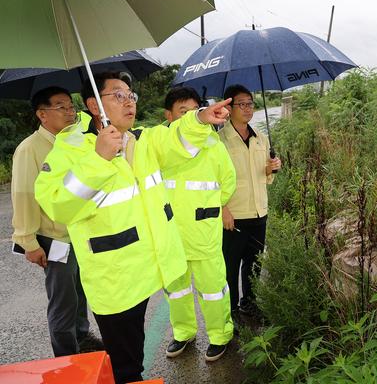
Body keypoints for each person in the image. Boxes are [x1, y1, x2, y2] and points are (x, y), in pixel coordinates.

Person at [34, 72, 230, 384]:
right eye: (118, 95)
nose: (130, 102)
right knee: (127, 367)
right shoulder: (70, 147)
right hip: (115, 279)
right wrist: (98, 160)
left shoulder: (140, 139)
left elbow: (175, 138)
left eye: (131, 95)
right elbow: (57, 204)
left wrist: (200, 118)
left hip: (146, 271)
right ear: (94, 105)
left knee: (134, 357)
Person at [11, 86, 99, 357]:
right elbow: (24, 195)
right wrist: (28, 242)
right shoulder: (31, 149)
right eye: (61, 107)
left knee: (81, 292)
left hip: (79, 233)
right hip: (55, 238)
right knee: (63, 301)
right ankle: (67, 356)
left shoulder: (72, 141)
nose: (70, 111)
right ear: (42, 114)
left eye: (71, 106)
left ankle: (82, 338)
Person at [161, 87, 236, 361]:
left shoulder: (212, 146)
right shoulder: (159, 147)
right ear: (168, 116)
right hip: (170, 234)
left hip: (203, 232)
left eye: (195, 111)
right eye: (183, 112)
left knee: (213, 289)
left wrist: (208, 208)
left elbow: (227, 183)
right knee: (177, 289)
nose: (191, 117)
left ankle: (219, 335)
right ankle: (183, 332)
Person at [218, 84, 281, 316]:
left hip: (258, 212)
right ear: (229, 107)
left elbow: (265, 178)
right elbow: (212, 180)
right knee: (231, 266)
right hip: (233, 216)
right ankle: (231, 309)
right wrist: (222, 209)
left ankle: (250, 303)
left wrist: (272, 168)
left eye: (250, 103)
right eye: (241, 104)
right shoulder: (219, 141)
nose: (247, 108)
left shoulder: (261, 139)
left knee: (254, 264)